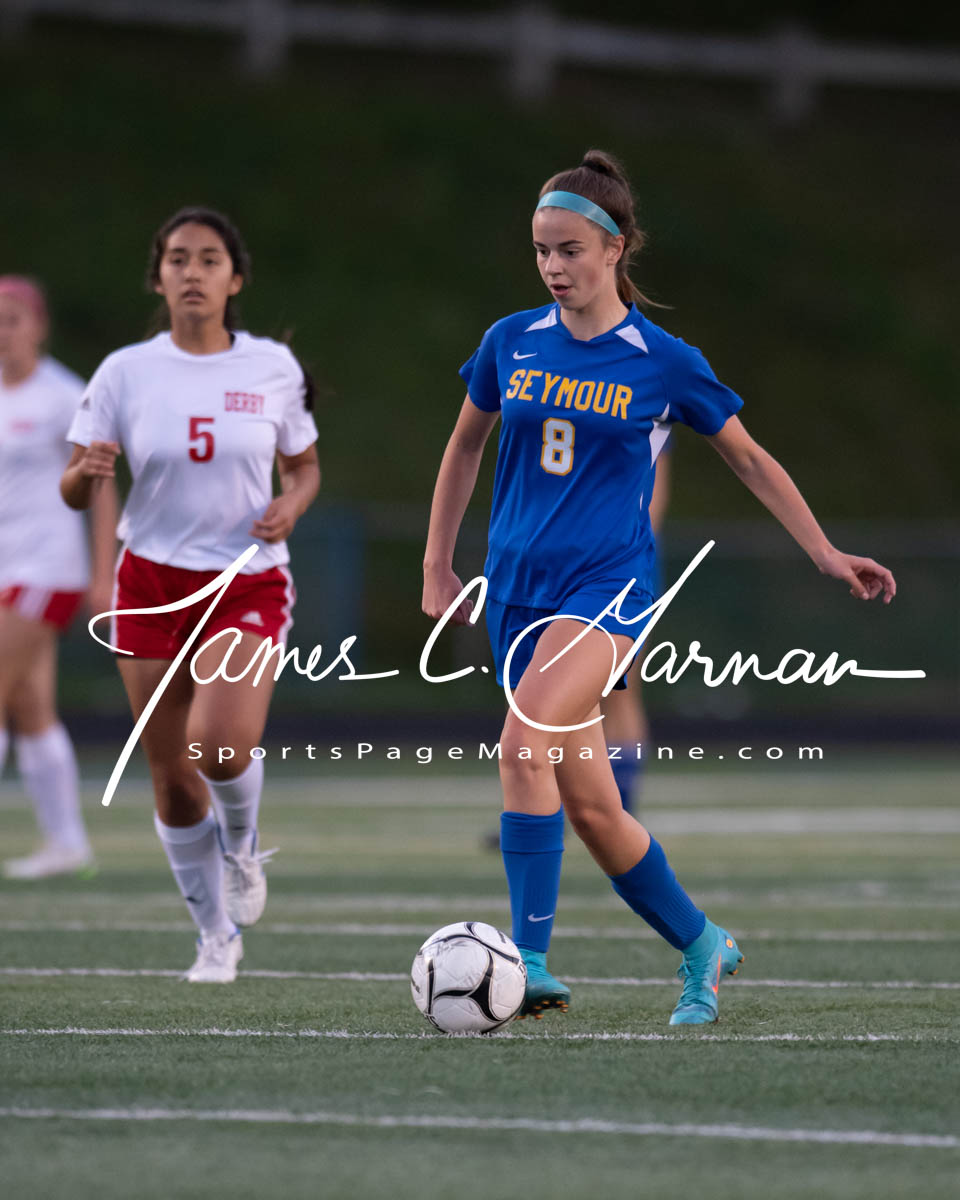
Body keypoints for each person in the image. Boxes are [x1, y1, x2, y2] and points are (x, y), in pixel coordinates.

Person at [422, 150, 895, 1025]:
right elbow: (464, 447)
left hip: (609, 588)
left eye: (570, 250)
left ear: (616, 248)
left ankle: (526, 962)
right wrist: (437, 565)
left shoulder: (663, 360)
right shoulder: (509, 340)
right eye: (541, 250)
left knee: (522, 746)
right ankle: (704, 944)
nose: (553, 267)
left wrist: (826, 552)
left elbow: (749, 459)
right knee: (595, 812)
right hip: (518, 590)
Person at [60, 208, 320, 983]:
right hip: (150, 582)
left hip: (245, 577)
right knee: (173, 780)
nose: (192, 272)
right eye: (178, 259)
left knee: (220, 746)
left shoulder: (272, 366)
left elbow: (304, 466)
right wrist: (86, 474)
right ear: (159, 277)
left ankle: (242, 847)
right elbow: (73, 487)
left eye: (209, 259)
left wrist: (292, 503)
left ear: (234, 279)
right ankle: (215, 937)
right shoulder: (124, 372)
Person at [1, 276, 117, 880]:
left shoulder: (63, 396)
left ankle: (67, 843)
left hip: (46, 568)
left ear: (39, 326)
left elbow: (100, 488)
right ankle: (68, 845)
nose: (3, 331)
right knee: (30, 706)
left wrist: (103, 574)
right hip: (6, 569)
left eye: (12, 319)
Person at [601, 441, 670, 813]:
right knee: (558, 694)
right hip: (568, 558)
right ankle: (545, 806)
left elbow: (654, 493)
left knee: (620, 686)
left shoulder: (648, 406)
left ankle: (621, 810)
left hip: (621, 564)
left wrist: (626, 557)